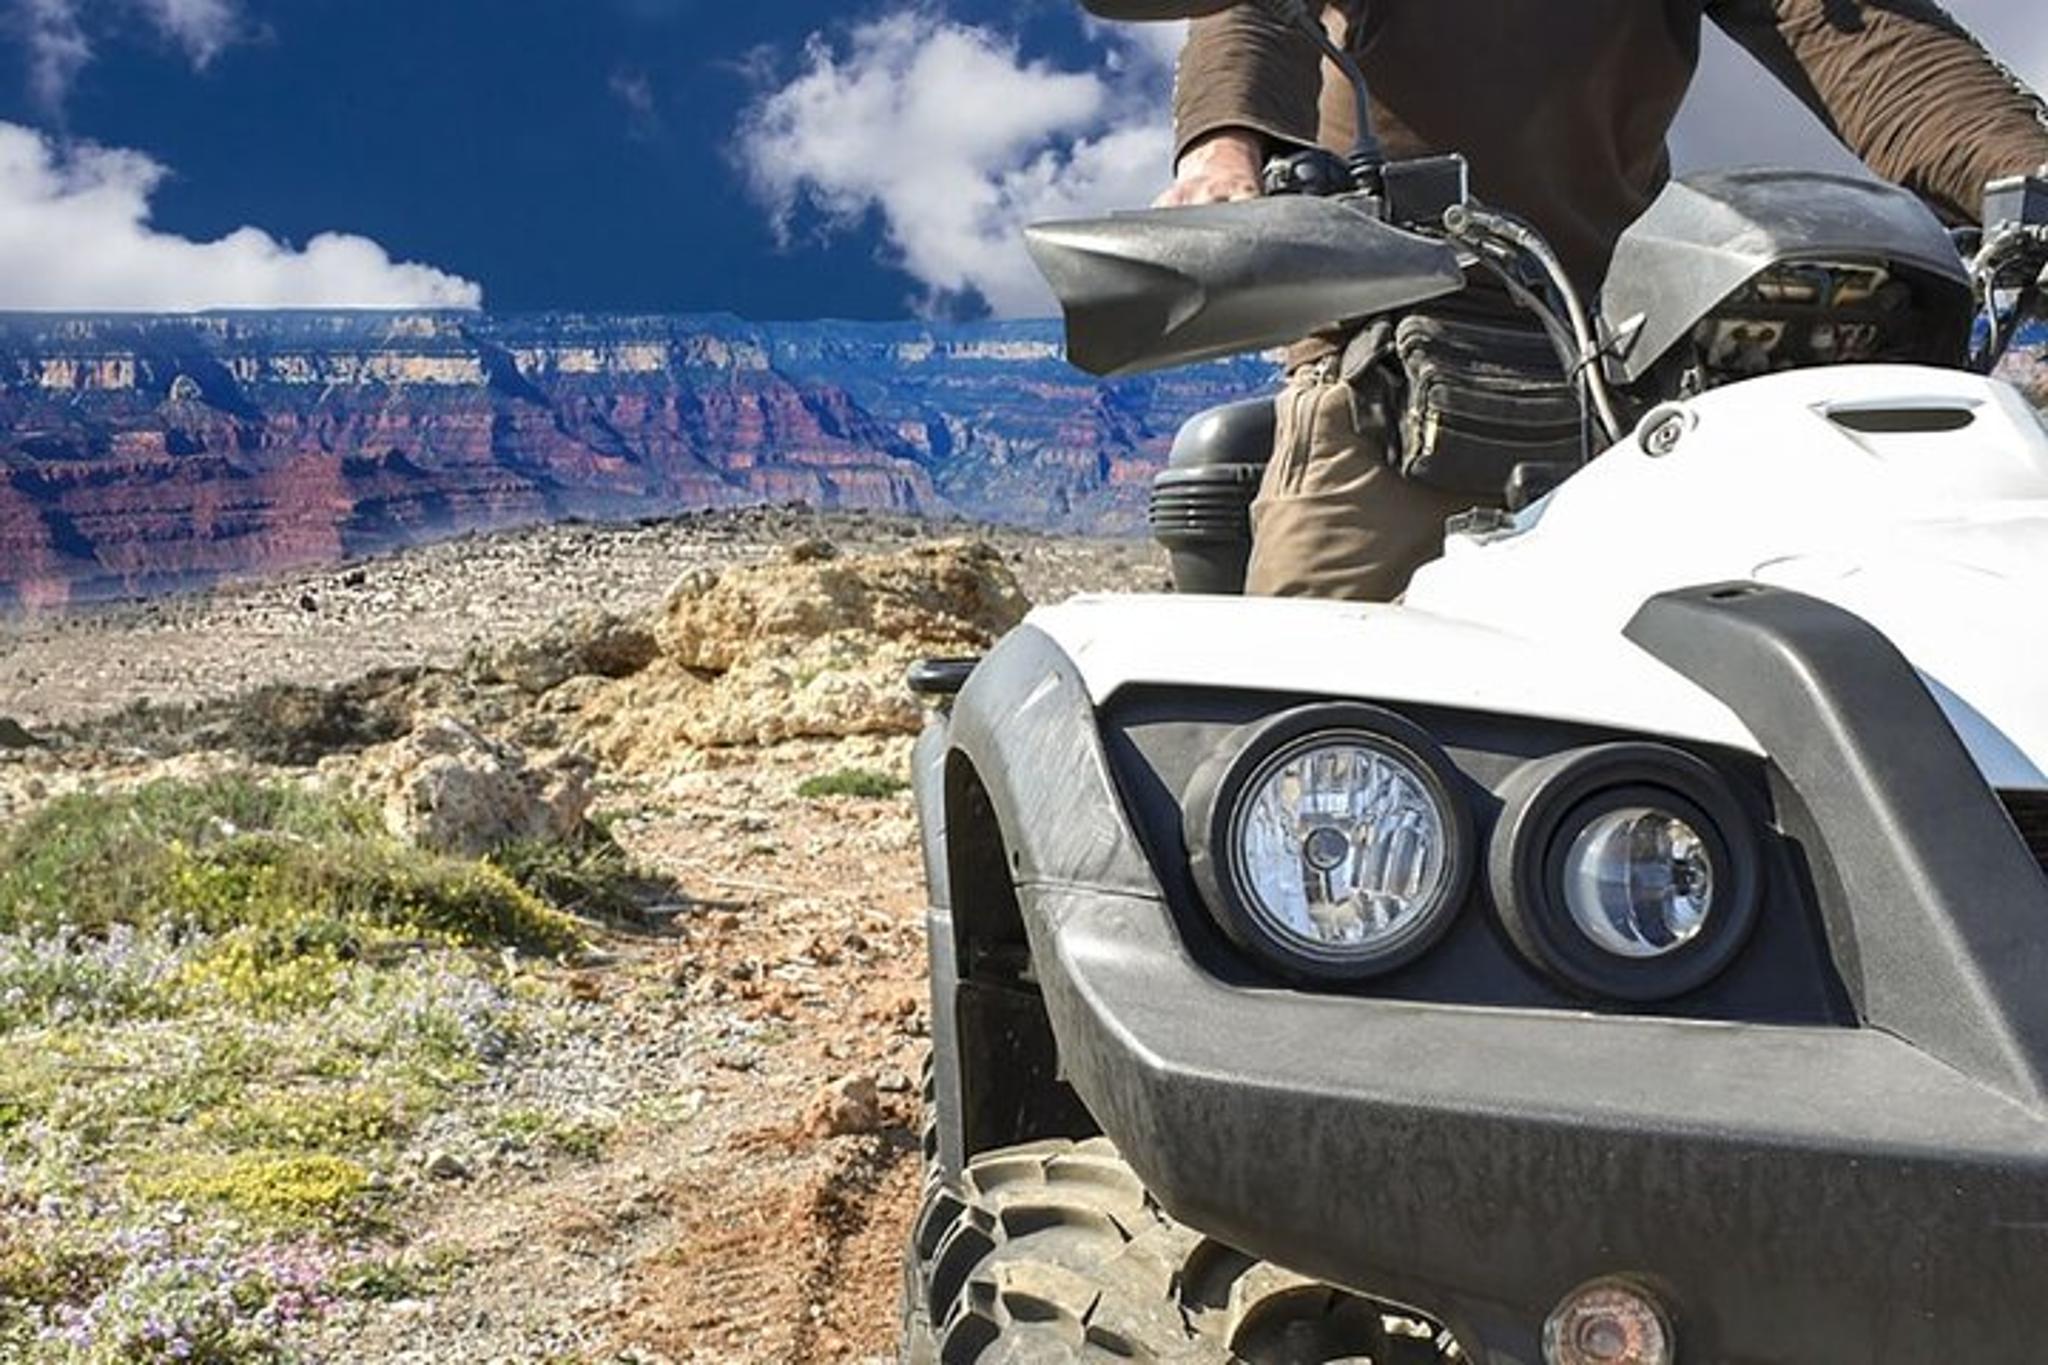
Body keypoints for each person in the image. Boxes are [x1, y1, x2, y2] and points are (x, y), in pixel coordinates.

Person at [1159, 0, 2048, 602]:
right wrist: (1224, 151)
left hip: (1629, 361)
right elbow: (1256, 16)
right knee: (1308, 739)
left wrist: (2026, 171)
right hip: (1388, 357)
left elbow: (1864, 38)